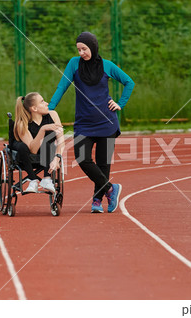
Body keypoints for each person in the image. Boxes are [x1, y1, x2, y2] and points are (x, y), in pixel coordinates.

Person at [48, 31, 134, 213]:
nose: (81, 53)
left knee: (103, 164)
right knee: (82, 157)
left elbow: (129, 82)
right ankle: (111, 188)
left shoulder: (107, 66)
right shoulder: (74, 64)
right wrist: (50, 109)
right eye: (79, 49)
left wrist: (120, 104)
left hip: (106, 122)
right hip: (84, 123)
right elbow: (62, 86)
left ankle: (97, 201)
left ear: (93, 48)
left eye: (84, 49)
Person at [13, 92, 65, 193]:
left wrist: (57, 158)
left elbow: (61, 140)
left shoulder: (53, 115)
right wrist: (43, 129)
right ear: (34, 109)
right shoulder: (22, 123)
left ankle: (47, 179)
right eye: (42, 102)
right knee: (39, 140)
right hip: (28, 157)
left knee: (49, 141)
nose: (46, 103)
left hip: (49, 154)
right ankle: (34, 180)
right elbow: (33, 150)